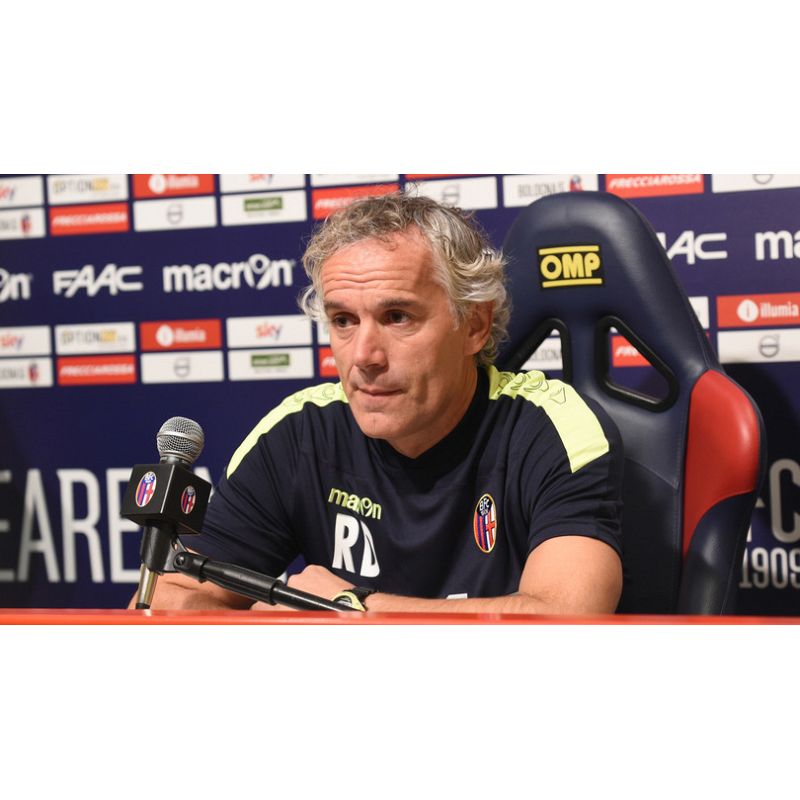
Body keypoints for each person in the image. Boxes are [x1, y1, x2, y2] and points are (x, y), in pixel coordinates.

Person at [137, 193, 623, 614]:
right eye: (344, 321)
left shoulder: (551, 428)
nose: (364, 356)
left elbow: (568, 615)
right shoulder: (300, 434)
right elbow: (167, 601)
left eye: (396, 317)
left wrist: (352, 605)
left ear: (474, 325)